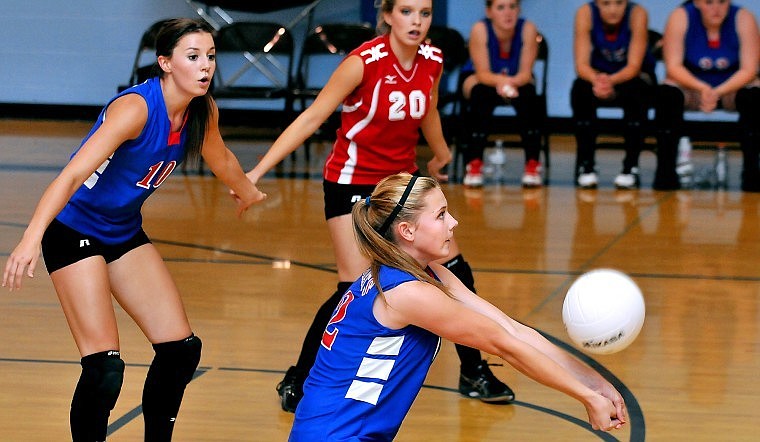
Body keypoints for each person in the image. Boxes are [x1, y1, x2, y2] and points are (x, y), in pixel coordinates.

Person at [2, 18, 267, 441]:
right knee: (105, 368)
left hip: (122, 231)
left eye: (211, 57)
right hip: (73, 231)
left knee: (181, 350)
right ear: (165, 63)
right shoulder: (136, 109)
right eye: (193, 57)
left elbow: (221, 158)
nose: (206, 67)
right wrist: (31, 237)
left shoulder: (201, 109)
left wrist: (246, 191)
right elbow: (70, 177)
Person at [245, 0, 514, 413]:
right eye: (407, 12)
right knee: (353, 285)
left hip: (402, 187)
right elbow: (313, 116)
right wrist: (257, 171)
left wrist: (440, 154)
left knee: (454, 271)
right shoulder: (363, 62)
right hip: (352, 182)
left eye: (424, 13)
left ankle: (474, 371)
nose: (417, 22)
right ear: (387, 14)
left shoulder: (432, 59)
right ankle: (300, 375)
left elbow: (428, 113)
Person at [288, 172, 628, 441]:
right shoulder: (408, 294)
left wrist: (594, 383)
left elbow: (512, 329)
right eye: (440, 215)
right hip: (336, 435)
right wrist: (585, 397)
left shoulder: (422, 272)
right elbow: (504, 346)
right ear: (406, 230)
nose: (453, 223)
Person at [654, 0, 760, 191]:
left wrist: (717, 92)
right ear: (697, 2)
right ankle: (665, 172)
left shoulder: (744, 18)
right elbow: (673, 66)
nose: (716, 8)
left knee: (754, 97)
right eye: (709, 2)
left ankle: (752, 173)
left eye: (721, 2)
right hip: (691, 87)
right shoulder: (681, 16)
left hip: (731, 88)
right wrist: (702, 88)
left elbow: (749, 69)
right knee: (666, 95)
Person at [460, 0, 545, 188]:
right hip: (484, 79)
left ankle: (532, 164)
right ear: (489, 11)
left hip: (516, 80)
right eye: (501, 7)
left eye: (512, 7)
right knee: (480, 95)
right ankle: (474, 163)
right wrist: (502, 82)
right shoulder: (480, 29)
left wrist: (510, 83)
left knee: (529, 96)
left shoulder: (528, 29)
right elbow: (482, 73)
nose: (508, 13)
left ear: (519, 9)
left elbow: (525, 73)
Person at [571, 0, 656, 190]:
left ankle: (630, 166)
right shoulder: (585, 13)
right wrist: (597, 80)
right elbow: (581, 65)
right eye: (606, 3)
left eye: (619, 3)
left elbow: (634, 66)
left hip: (633, 75)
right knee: (579, 91)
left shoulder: (638, 14)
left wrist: (610, 81)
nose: (613, 9)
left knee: (637, 95)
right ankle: (587, 165)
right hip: (599, 75)